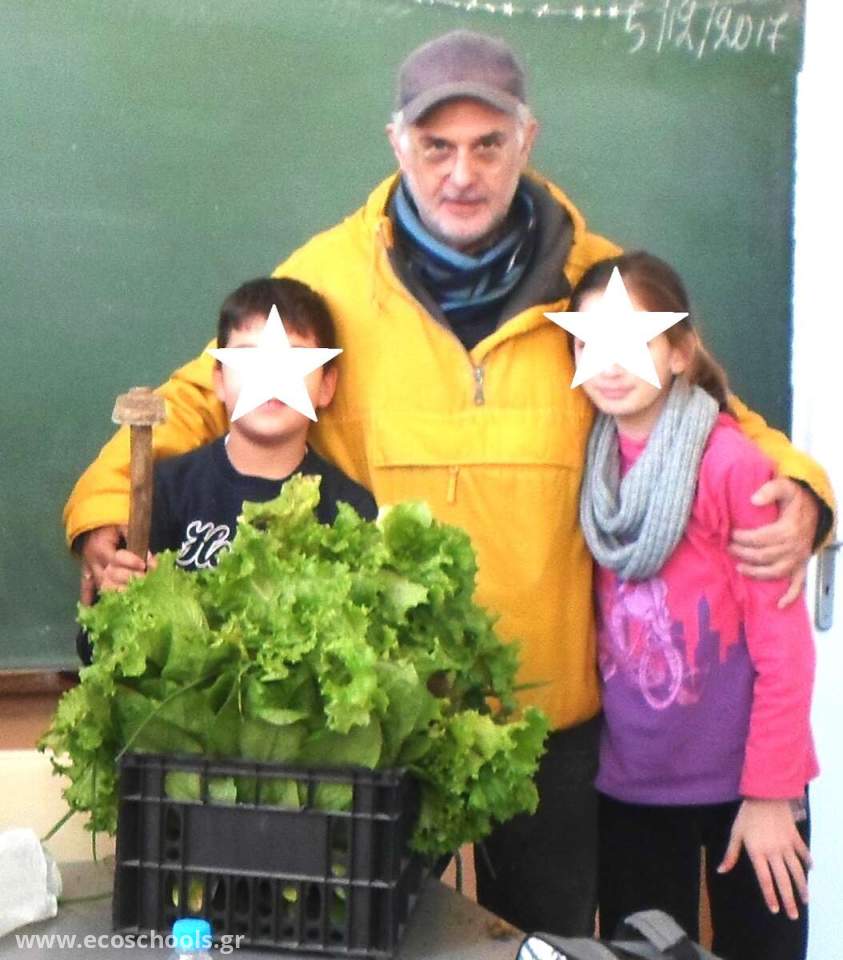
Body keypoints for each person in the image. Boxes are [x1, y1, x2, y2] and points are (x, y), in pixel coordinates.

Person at [63, 31, 834, 935]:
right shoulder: (325, 278)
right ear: (397, 144)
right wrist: (105, 512)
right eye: (435, 146)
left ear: (527, 139)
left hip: (554, 729)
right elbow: (197, 395)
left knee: (542, 945)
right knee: (366, 939)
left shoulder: (599, 290)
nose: (460, 173)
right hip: (379, 724)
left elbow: (712, 411)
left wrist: (802, 489)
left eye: (487, 144)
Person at [572, 252, 815, 960]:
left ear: (678, 354)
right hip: (632, 787)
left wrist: (770, 794)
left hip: (747, 790)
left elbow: (784, 646)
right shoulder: (591, 465)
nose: (610, 363)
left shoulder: (729, 463)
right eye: (591, 344)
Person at [99, 277, 377, 593]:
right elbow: (109, 619)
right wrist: (117, 593)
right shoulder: (163, 490)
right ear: (219, 381)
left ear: (326, 385)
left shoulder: (350, 509)